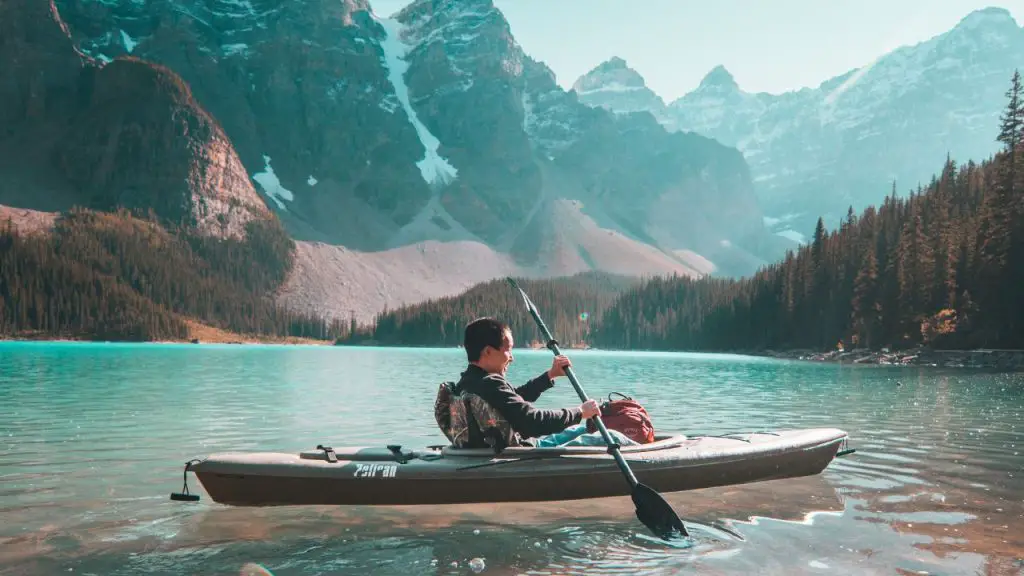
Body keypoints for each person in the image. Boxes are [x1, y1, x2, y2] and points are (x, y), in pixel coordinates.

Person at [447, 317, 637, 450]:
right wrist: (579, 412)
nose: (511, 358)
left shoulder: (469, 381)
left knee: (583, 429)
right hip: (527, 453)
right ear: (488, 351)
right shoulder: (490, 383)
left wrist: (550, 376)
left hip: (514, 446)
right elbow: (532, 421)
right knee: (613, 437)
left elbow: (513, 400)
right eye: (508, 350)